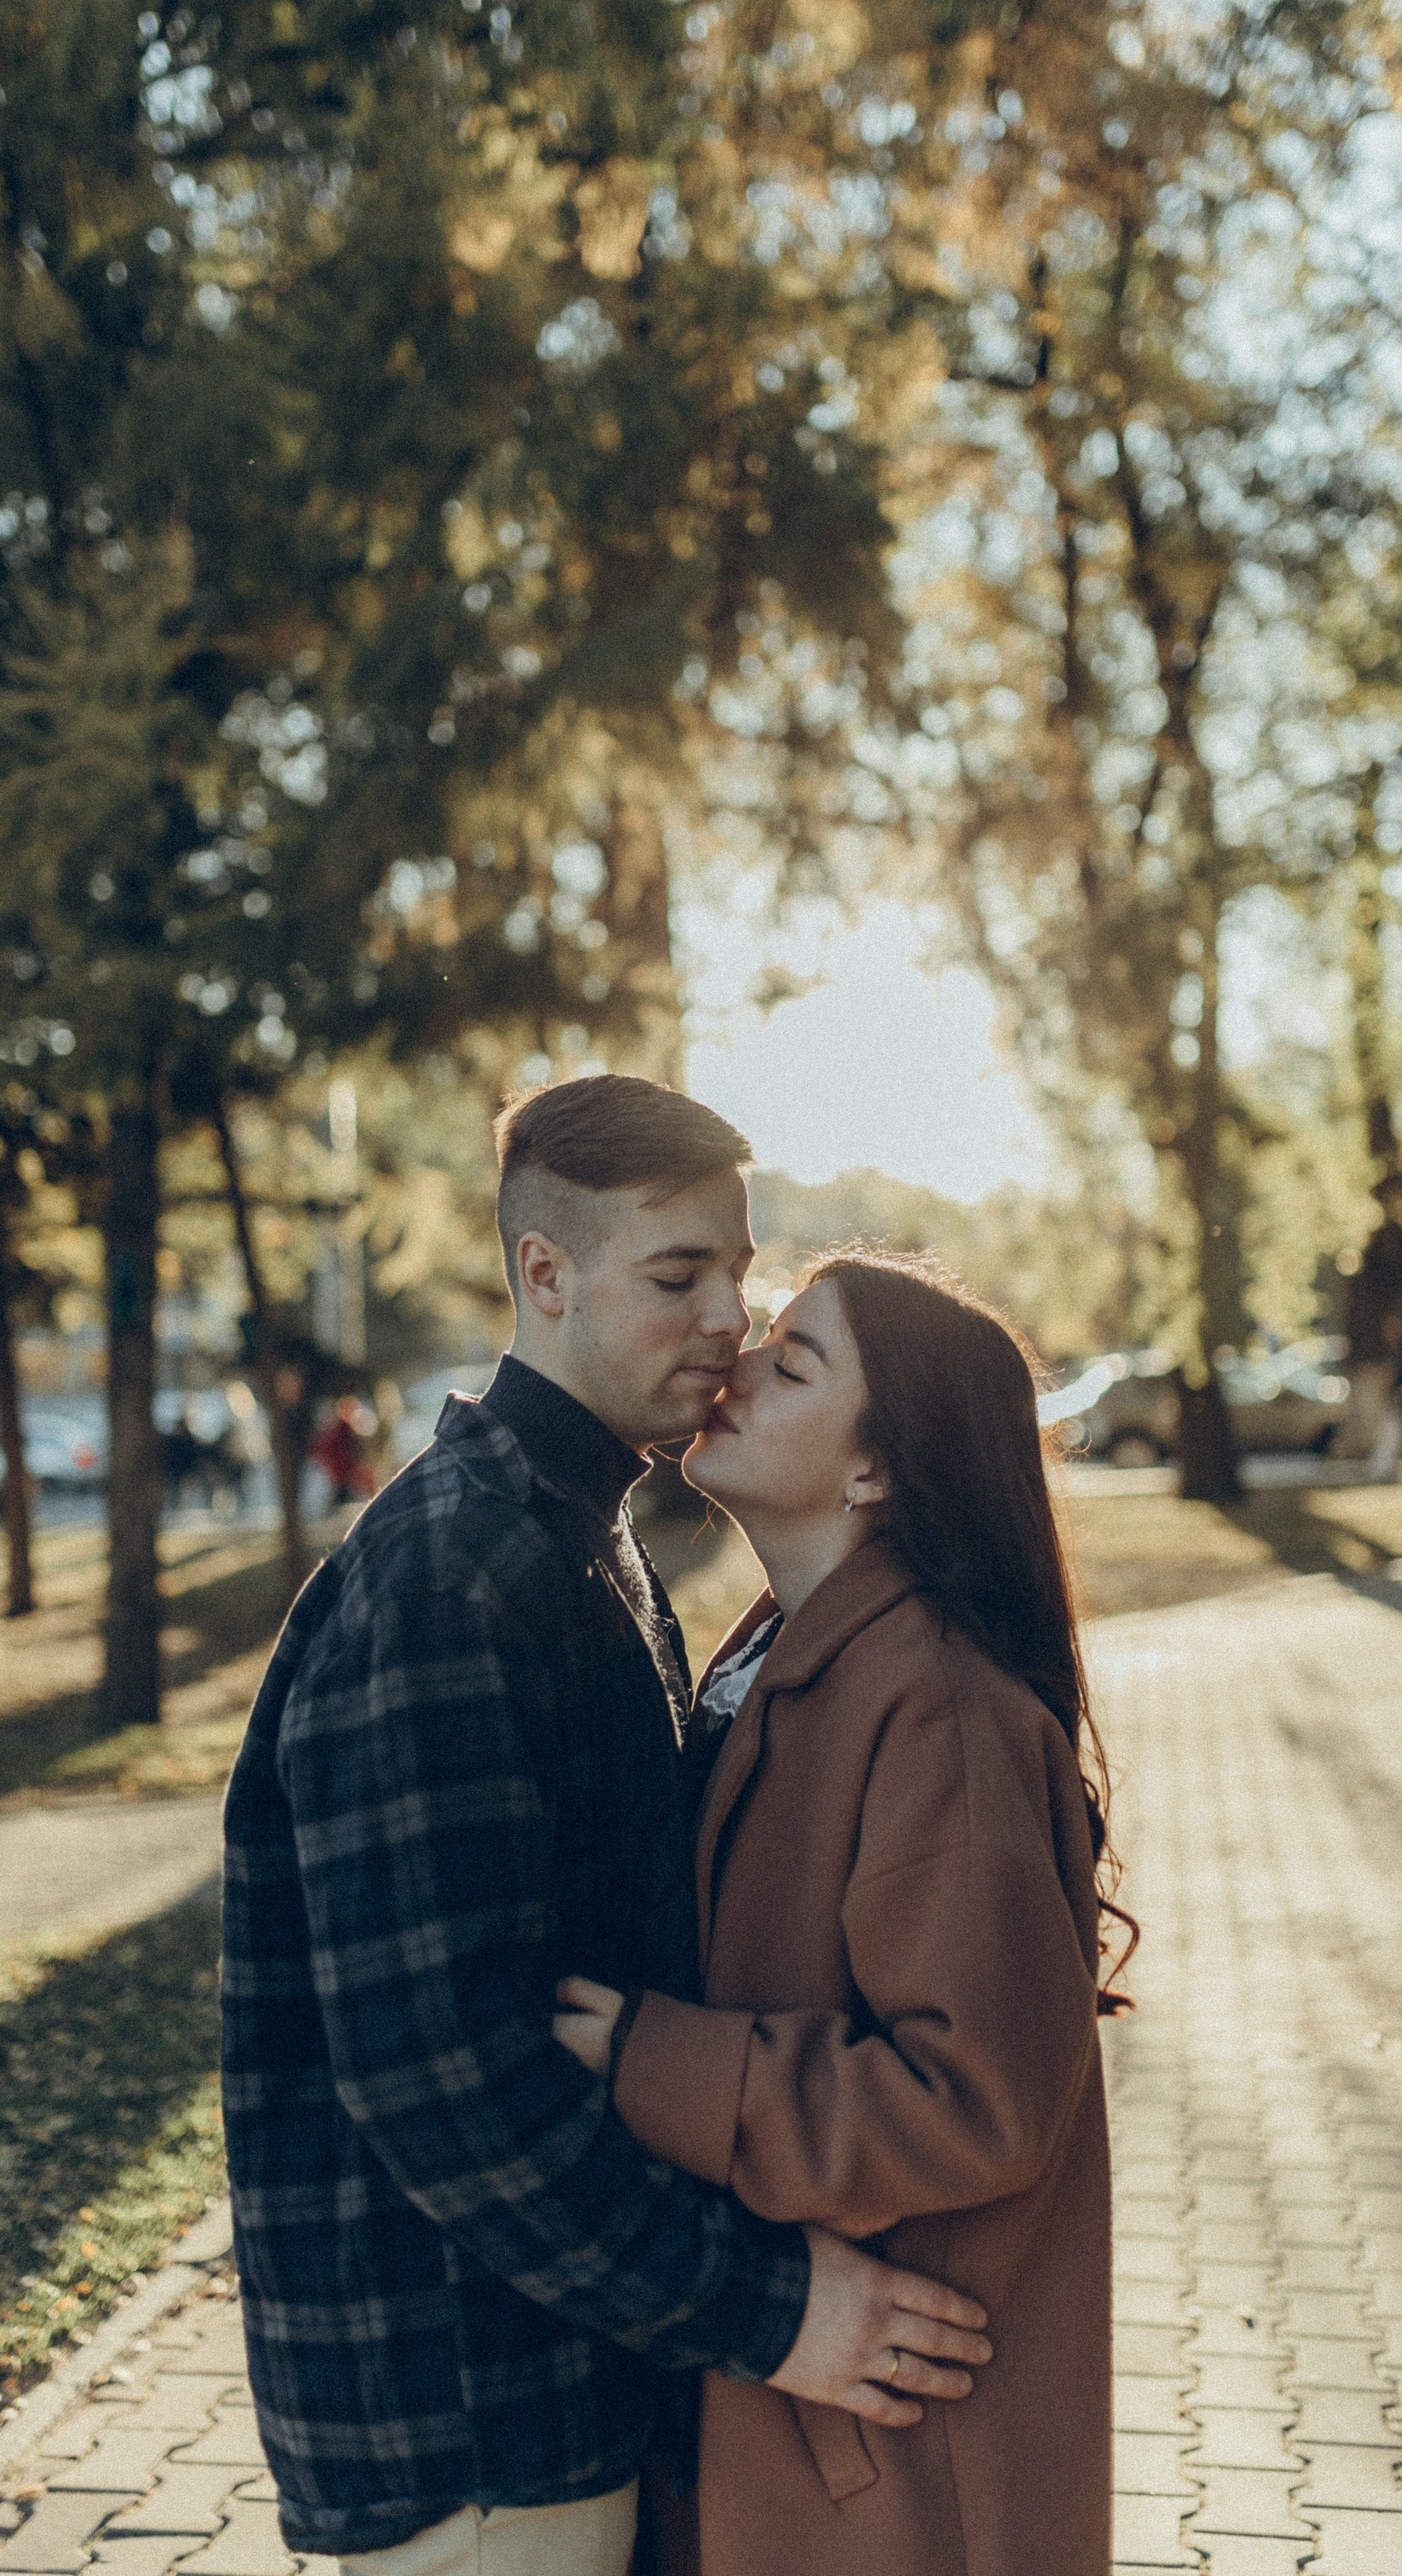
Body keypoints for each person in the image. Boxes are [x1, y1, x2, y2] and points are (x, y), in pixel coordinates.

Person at [221, 1082, 991, 2576]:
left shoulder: (569, 1535)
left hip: (558, 2393)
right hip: (473, 2431)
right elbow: (447, 2081)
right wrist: (773, 2309)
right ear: (545, 1274)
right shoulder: (452, 1580)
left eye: (736, 1273)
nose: (728, 1321)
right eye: (676, 1276)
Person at [554, 1253, 1129, 2576]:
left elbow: (973, 2100)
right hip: (788, 2433)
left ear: (874, 1471)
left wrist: (649, 2062)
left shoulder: (937, 1711)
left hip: (893, 2473)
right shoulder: (783, 1658)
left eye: (792, 1360)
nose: (736, 1362)